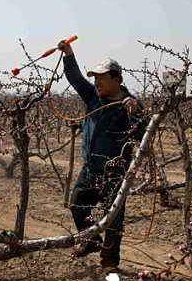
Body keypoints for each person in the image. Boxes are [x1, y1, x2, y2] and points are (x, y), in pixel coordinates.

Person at [57, 40, 147, 273]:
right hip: (90, 168)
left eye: (101, 78)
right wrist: (68, 54)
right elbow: (76, 78)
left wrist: (137, 112)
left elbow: (142, 134)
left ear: (117, 79)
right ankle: (90, 241)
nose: (96, 82)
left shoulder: (130, 106)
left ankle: (109, 264)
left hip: (115, 173)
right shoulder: (93, 98)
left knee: (113, 221)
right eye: (95, 78)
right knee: (77, 204)